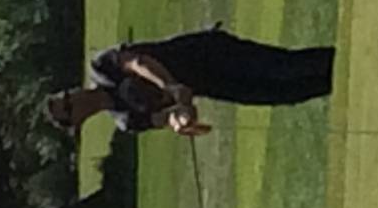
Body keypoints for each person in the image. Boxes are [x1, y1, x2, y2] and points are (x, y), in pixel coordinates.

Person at [45, 25, 334, 137]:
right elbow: (162, 119)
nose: (73, 97)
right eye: (68, 106)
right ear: (77, 121)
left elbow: (138, 62)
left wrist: (170, 86)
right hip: (210, 84)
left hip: (205, 52)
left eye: (65, 95)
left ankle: (341, 58)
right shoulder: (126, 120)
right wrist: (180, 120)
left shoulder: (102, 67)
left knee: (283, 67)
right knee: (282, 94)